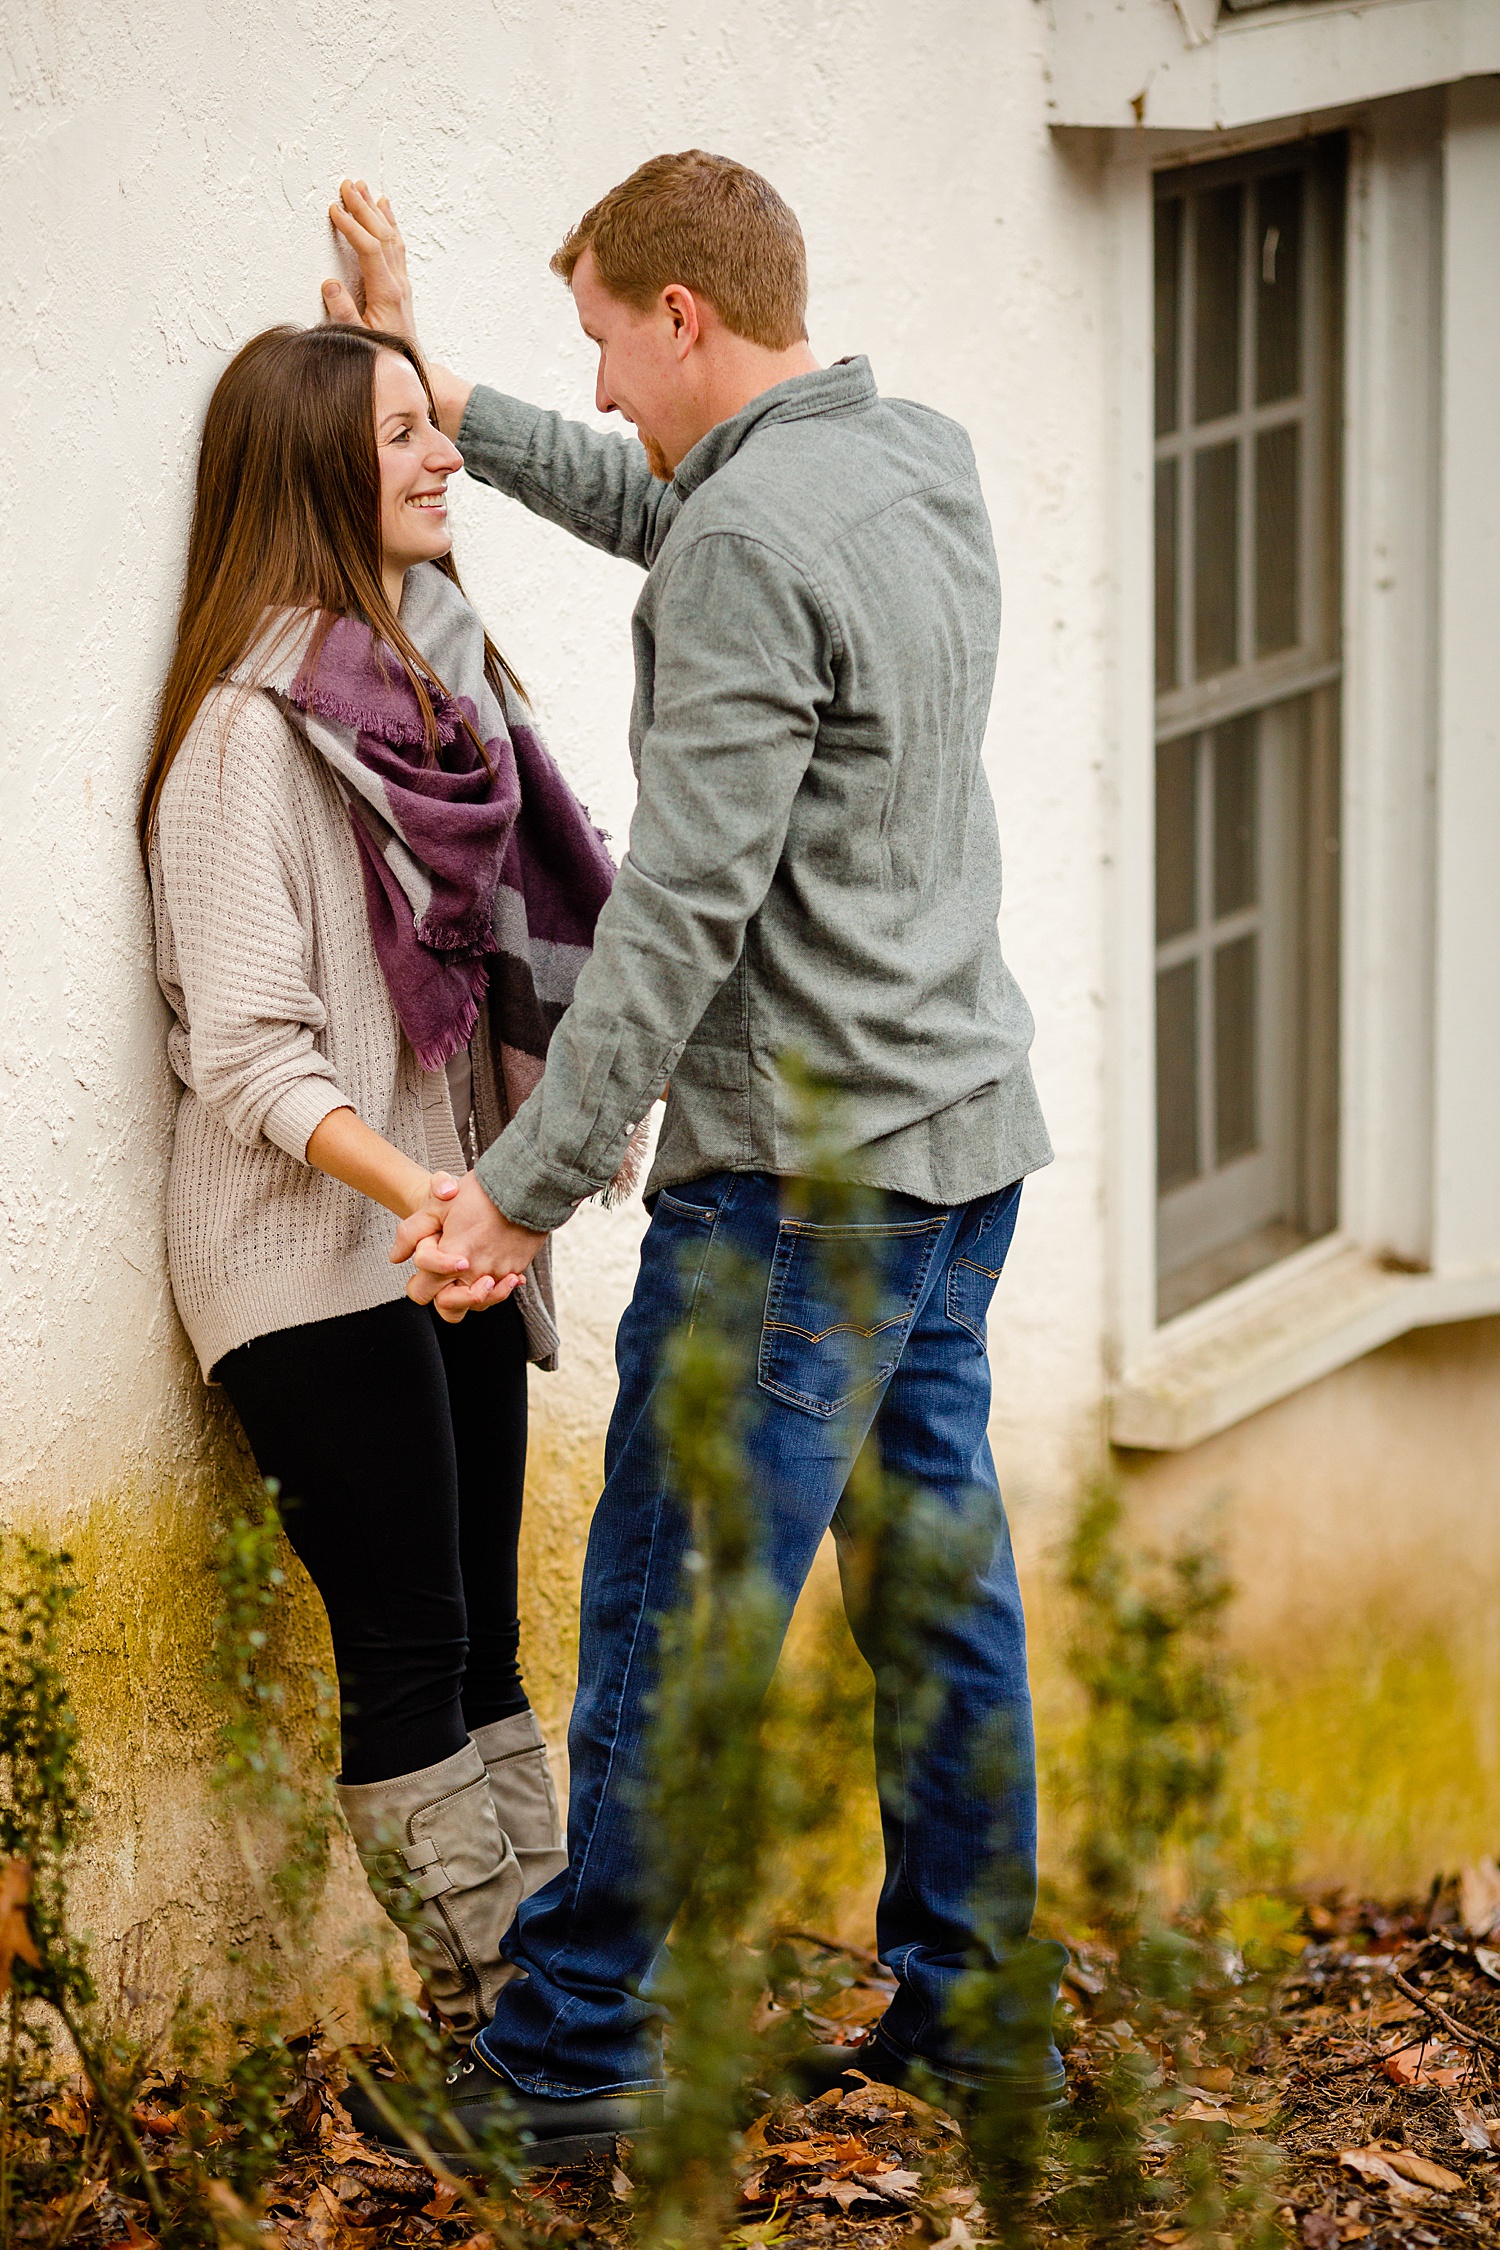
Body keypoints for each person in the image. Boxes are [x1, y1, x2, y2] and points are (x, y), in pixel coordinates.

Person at [323, 151, 1067, 2163]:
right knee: (935, 1593)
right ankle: (985, 2022)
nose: (609, 386)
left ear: (685, 321)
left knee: (671, 1612)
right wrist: (430, 380)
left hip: (804, 1190)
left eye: (606, 345)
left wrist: (521, 1187)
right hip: (955, 1147)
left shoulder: (745, 546)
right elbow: (674, 500)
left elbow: (680, 922)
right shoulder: (910, 458)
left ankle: (572, 2060)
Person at [142, 320, 622, 2039]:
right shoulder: (241, 745)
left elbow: (460, 627)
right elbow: (253, 1058)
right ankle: (491, 2026)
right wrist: (425, 1194)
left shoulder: (420, 706)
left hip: (440, 1229)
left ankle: (560, 2002)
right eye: (405, 437)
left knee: (495, 1639)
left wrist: (467, 1201)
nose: (443, 460)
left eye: (440, 430)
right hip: (308, 1258)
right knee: (416, 1650)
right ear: (311, 476)